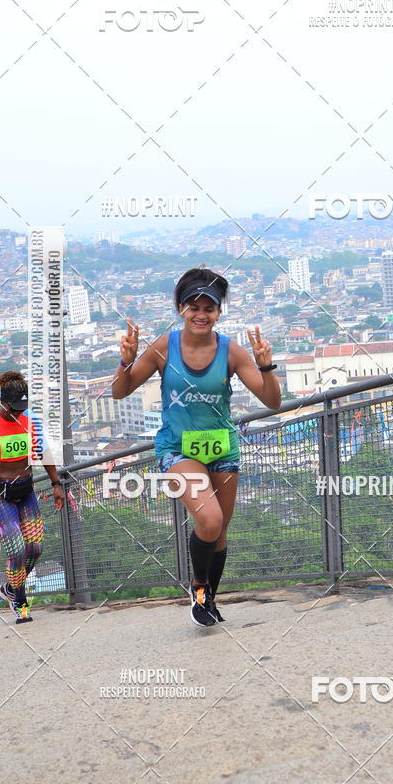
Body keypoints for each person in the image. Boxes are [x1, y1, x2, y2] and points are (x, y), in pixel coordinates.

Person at [112, 268, 281, 626]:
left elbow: (272, 400)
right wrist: (126, 361)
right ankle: (199, 586)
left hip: (222, 448)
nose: (201, 314)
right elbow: (120, 391)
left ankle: (208, 602)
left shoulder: (230, 351)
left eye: (209, 307)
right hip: (178, 449)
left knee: (219, 534)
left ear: (219, 312)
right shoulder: (163, 347)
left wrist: (266, 367)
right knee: (209, 520)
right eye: (193, 306)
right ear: (180, 308)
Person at [0, 371, 64, 623]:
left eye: (23, 407)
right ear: (3, 403)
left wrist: (56, 483)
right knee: (17, 549)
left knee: (35, 547)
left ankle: (9, 588)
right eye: (15, 408)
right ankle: (20, 600)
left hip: (26, 490)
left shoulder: (30, 420)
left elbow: (44, 453)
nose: (19, 413)